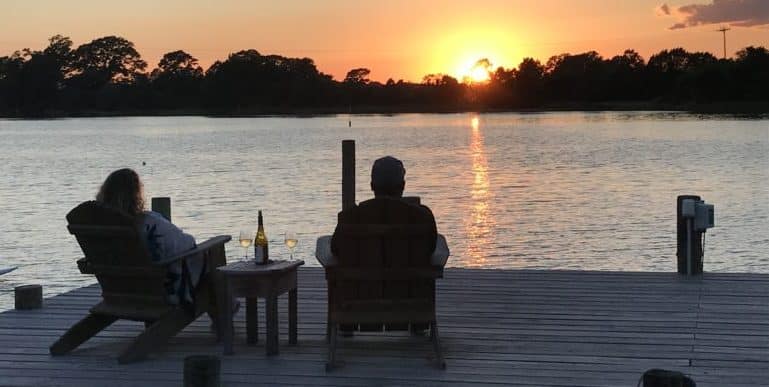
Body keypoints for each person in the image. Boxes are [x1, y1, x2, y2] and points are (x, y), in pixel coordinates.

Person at [96, 168, 202, 305]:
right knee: (208, 257)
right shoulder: (147, 223)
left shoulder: (100, 226)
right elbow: (184, 244)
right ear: (136, 194)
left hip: (120, 291)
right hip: (159, 292)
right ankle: (223, 314)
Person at [331, 155, 437, 258]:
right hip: (412, 276)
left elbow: (335, 249)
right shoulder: (423, 216)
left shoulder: (349, 217)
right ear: (403, 185)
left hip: (364, 276)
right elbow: (431, 247)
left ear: (372, 185)